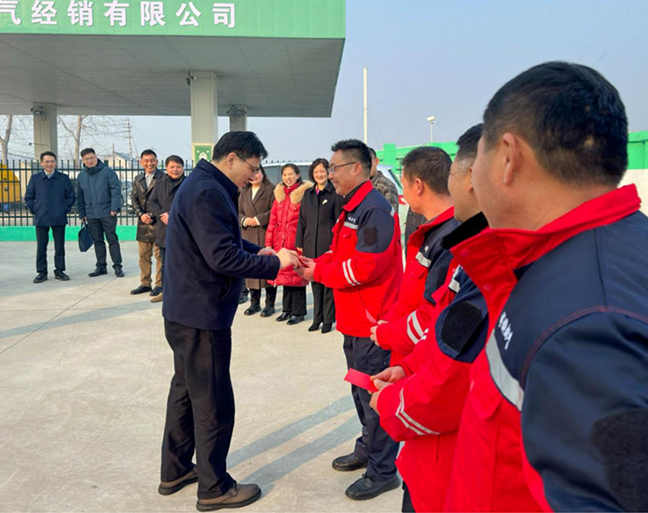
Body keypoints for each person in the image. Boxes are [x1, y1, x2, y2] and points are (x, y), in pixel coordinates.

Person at [444, 62, 648, 512]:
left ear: (508, 157)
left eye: (478, 157)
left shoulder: (590, 324)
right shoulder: (578, 260)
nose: (472, 178)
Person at [159, 131, 299, 511]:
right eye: (252, 168)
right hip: (202, 315)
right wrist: (275, 263)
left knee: (185, 393)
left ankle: (175, 470)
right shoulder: (207, 191)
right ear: (232, 158)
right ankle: (215, 487)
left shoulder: (203, 185)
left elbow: (224, 239)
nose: (253, 176)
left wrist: (261, 249)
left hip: (185, 311)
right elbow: (222, 256)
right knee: (214, 402)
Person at [370, 124, 490, 513]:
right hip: (417, 386)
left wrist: (394, 399)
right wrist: (407, 368)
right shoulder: (472, 245)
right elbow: (444, 322)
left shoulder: (467, 245)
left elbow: (442, 332)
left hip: (450, 457)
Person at [299, 139, 403, 501]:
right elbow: (339, 252)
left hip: (373, 325)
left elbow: (365, 266)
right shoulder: (353, 207)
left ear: (356, 169)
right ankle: (368, 448)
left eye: (335, 168)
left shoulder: (374, 210)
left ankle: (383, 470)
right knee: (361, 392)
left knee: (375, 397)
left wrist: (320, 274)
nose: (330, 174)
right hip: (354, 320)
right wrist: (315, 264)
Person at [370, 146, 457, 365]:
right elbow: (411, 294)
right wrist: (391, 322)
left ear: (418, 185)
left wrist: (388, 334)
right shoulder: (432, 229)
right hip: (406, 350)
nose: (403, 192)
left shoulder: (449, 238)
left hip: (421, 360)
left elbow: (433, 315)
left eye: (403, 183)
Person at [295, 158, 343, 333]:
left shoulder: (335, 194)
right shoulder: (308, 194)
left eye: (322, 171)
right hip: (310, 244)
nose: (319, 175)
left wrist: (336, 244)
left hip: (327, 245)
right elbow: (302, 220)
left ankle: (328, 320)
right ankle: (317, 318)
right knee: (315, 283)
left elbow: (339, 222)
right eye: (316, 172)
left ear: (328, 172)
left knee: (328, 283)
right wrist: (299, 242)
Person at [265, 164, 313, 325]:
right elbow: (272, 222)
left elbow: (306, 221)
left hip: (296, 241)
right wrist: (269, 243)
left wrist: (303, 241)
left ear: (298, 175)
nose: (287, 178)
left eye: (291, 174)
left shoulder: (304, 194)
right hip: (281, 241)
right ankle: (287, 309)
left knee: (297, 276)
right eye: (285, 175)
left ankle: (298, 312)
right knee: (284, 277)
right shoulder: (279, 195)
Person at [24, 151, 75, 283]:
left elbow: (71, 196)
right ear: (41, 163)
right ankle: (42, 272)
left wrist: (65, 208)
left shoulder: (63, 178)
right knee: (41, 246)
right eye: (46, 161)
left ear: (55, 162)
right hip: (41, 217)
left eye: (52, 161)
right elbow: (28, 197)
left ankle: (59, 270)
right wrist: (35, 209)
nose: (49, 164)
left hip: (59, 217)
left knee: (59, 246)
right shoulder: (35, 179)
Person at [76, 148, 124, 277]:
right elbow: (79, 196)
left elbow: (115, 190)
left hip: (107, 213)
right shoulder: (81, 176)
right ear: (83, 161)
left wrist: (114, 208)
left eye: (92, 158)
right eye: (86, 159)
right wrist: (82, 213)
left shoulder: (108, 172)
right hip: (91, 214)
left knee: (112, 240)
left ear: (96, 157)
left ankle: (117, 266)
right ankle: (101, 266)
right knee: (97, 241)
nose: (90, 161)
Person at [238, 165, 277, 317]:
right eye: (251, 173)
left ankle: (269, 304)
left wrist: (258, 219)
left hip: (264, 232)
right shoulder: (244, 192)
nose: (254, 176)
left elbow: (275, 210)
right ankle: (255, 303)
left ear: (262, 173)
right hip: (248, 234)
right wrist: (244, 220)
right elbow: (238, 211)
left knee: (267, 269)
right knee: (251, 270)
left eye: (257, 172)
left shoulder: (271, 189)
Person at [148, 155, 186, 304]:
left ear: (182, 168)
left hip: (183, 231)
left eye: (178, 167)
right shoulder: (160, 183)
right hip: (164, 231)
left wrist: (172, 215)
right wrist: (162, 215)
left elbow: (192, 203)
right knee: (166, 265)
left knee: (184, 264)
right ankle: (166, 292)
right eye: (172, 167)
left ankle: (184, 293)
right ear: (166, 168)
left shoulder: (188, 183)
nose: (175, 170)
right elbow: (151, 202)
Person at [130, 149, 164, 296]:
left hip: (159, 223)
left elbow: (166, 200)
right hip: (143, 223)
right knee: (143, 255)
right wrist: (141, 215)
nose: (149, 163)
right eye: (146, 161)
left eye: (152, 160)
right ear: (141, 162)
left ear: (157, 161)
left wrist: (154, 215)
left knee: (159, 255)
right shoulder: (138, 179)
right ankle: (145, 283)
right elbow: (134, 198)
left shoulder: (163, 178)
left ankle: (160, 284)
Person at [368, 147, 399, 213]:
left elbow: (390, 214)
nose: (366, 168)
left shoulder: (386, 185)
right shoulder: (358, 185)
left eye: (369, 164)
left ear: (376, 161)